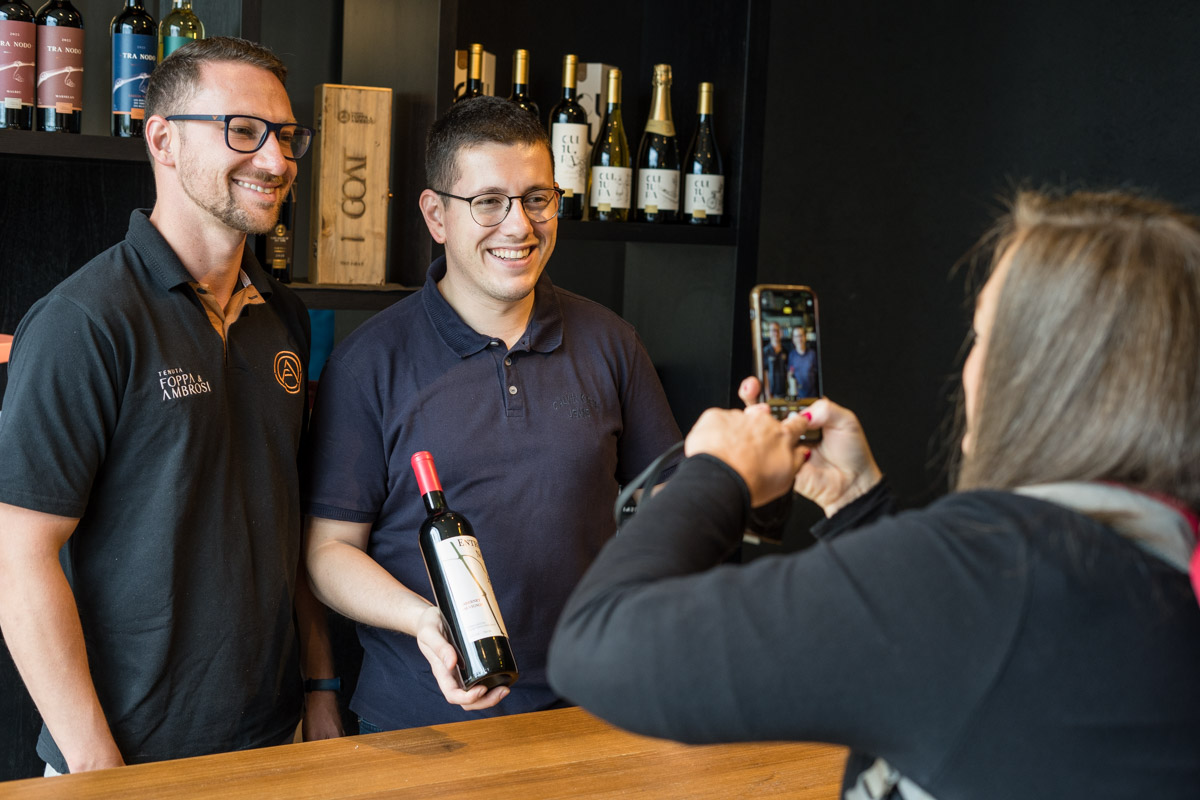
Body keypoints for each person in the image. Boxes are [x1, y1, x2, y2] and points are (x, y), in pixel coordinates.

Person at [548, 188, 1200, 798]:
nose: (969, 366)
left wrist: (720, 472)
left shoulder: (982, 580)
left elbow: (597, 645)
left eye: (983, 337)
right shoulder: (1151, 568)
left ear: (1035, 375)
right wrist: (859, 506)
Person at [0, 37, 342, 776]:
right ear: (161, 138)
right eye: (243, 131)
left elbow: (295, 526)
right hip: (128, 758)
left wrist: (320, 688)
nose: (277, 161)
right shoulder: (84, 322)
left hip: (272, 741)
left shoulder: (282, 314)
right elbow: (17, 557)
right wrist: (95, 762)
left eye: (287, 136)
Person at [302, 96, 683, 732]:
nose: (519, 226)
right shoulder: (369, 362)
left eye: (538, 198)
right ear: (436, 215)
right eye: (488, 202)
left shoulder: (611, 342)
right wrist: (423, 619)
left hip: (590, 712)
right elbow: (328, 553)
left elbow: (670, 495)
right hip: (420, 726)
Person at [787, 324, 818, 398]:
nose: (799, 339)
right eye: (796, 336)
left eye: (801, 335)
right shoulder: (792, 355)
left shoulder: (812, 354)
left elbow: (818, 376)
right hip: (798, 397)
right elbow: (790, 373)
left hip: (812, 397)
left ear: (805, 337)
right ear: (793, 339)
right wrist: (791, 388)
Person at [761, 320, 789, 399]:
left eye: (777, 330)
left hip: (785, 394)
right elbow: (765, 374)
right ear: (769, 333)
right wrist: (768, 394)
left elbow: (788, 373)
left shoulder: (785, 351)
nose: (776, 333)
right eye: (773, 330)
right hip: (771, 395)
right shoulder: (765, 351)